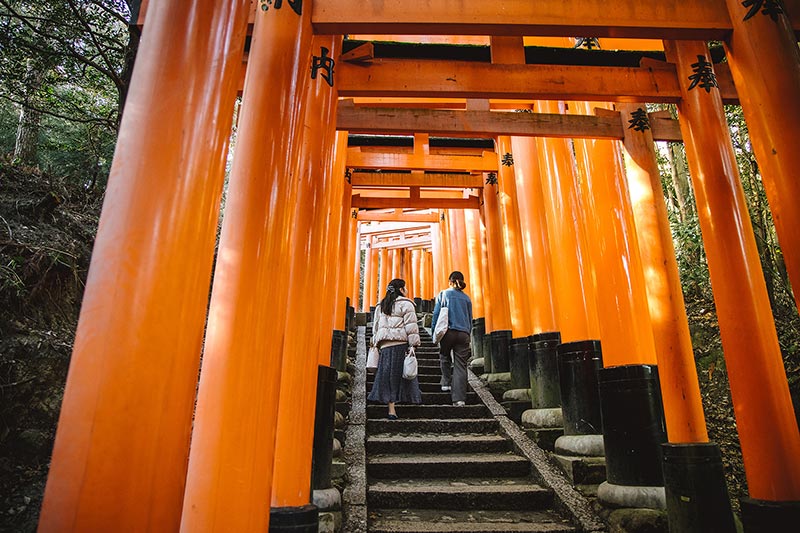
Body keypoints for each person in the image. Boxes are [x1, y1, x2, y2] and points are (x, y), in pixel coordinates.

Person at [368, 278, 422, 419]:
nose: (407, 290)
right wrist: (413, 344)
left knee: (388, 377)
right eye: (405, 287)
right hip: (400, 343)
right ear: (401, 289)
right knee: (402, 374)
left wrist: (375, 342)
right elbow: (411, 327)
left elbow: (376, 327)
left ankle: (391, 409)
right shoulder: (406, 304)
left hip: (385, 345)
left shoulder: (381, 305)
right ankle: (409, 401)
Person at [432, 271, 473, 406]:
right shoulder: (467, 298)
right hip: (463, 334)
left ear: (450, 281)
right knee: (461, 365)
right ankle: (459, 399)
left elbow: (436, 315)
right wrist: (468, 334)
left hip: (448, 332)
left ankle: (446, 382)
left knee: (444, 355)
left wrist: (434, 332)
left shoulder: (444, 294)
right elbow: (470, 318)